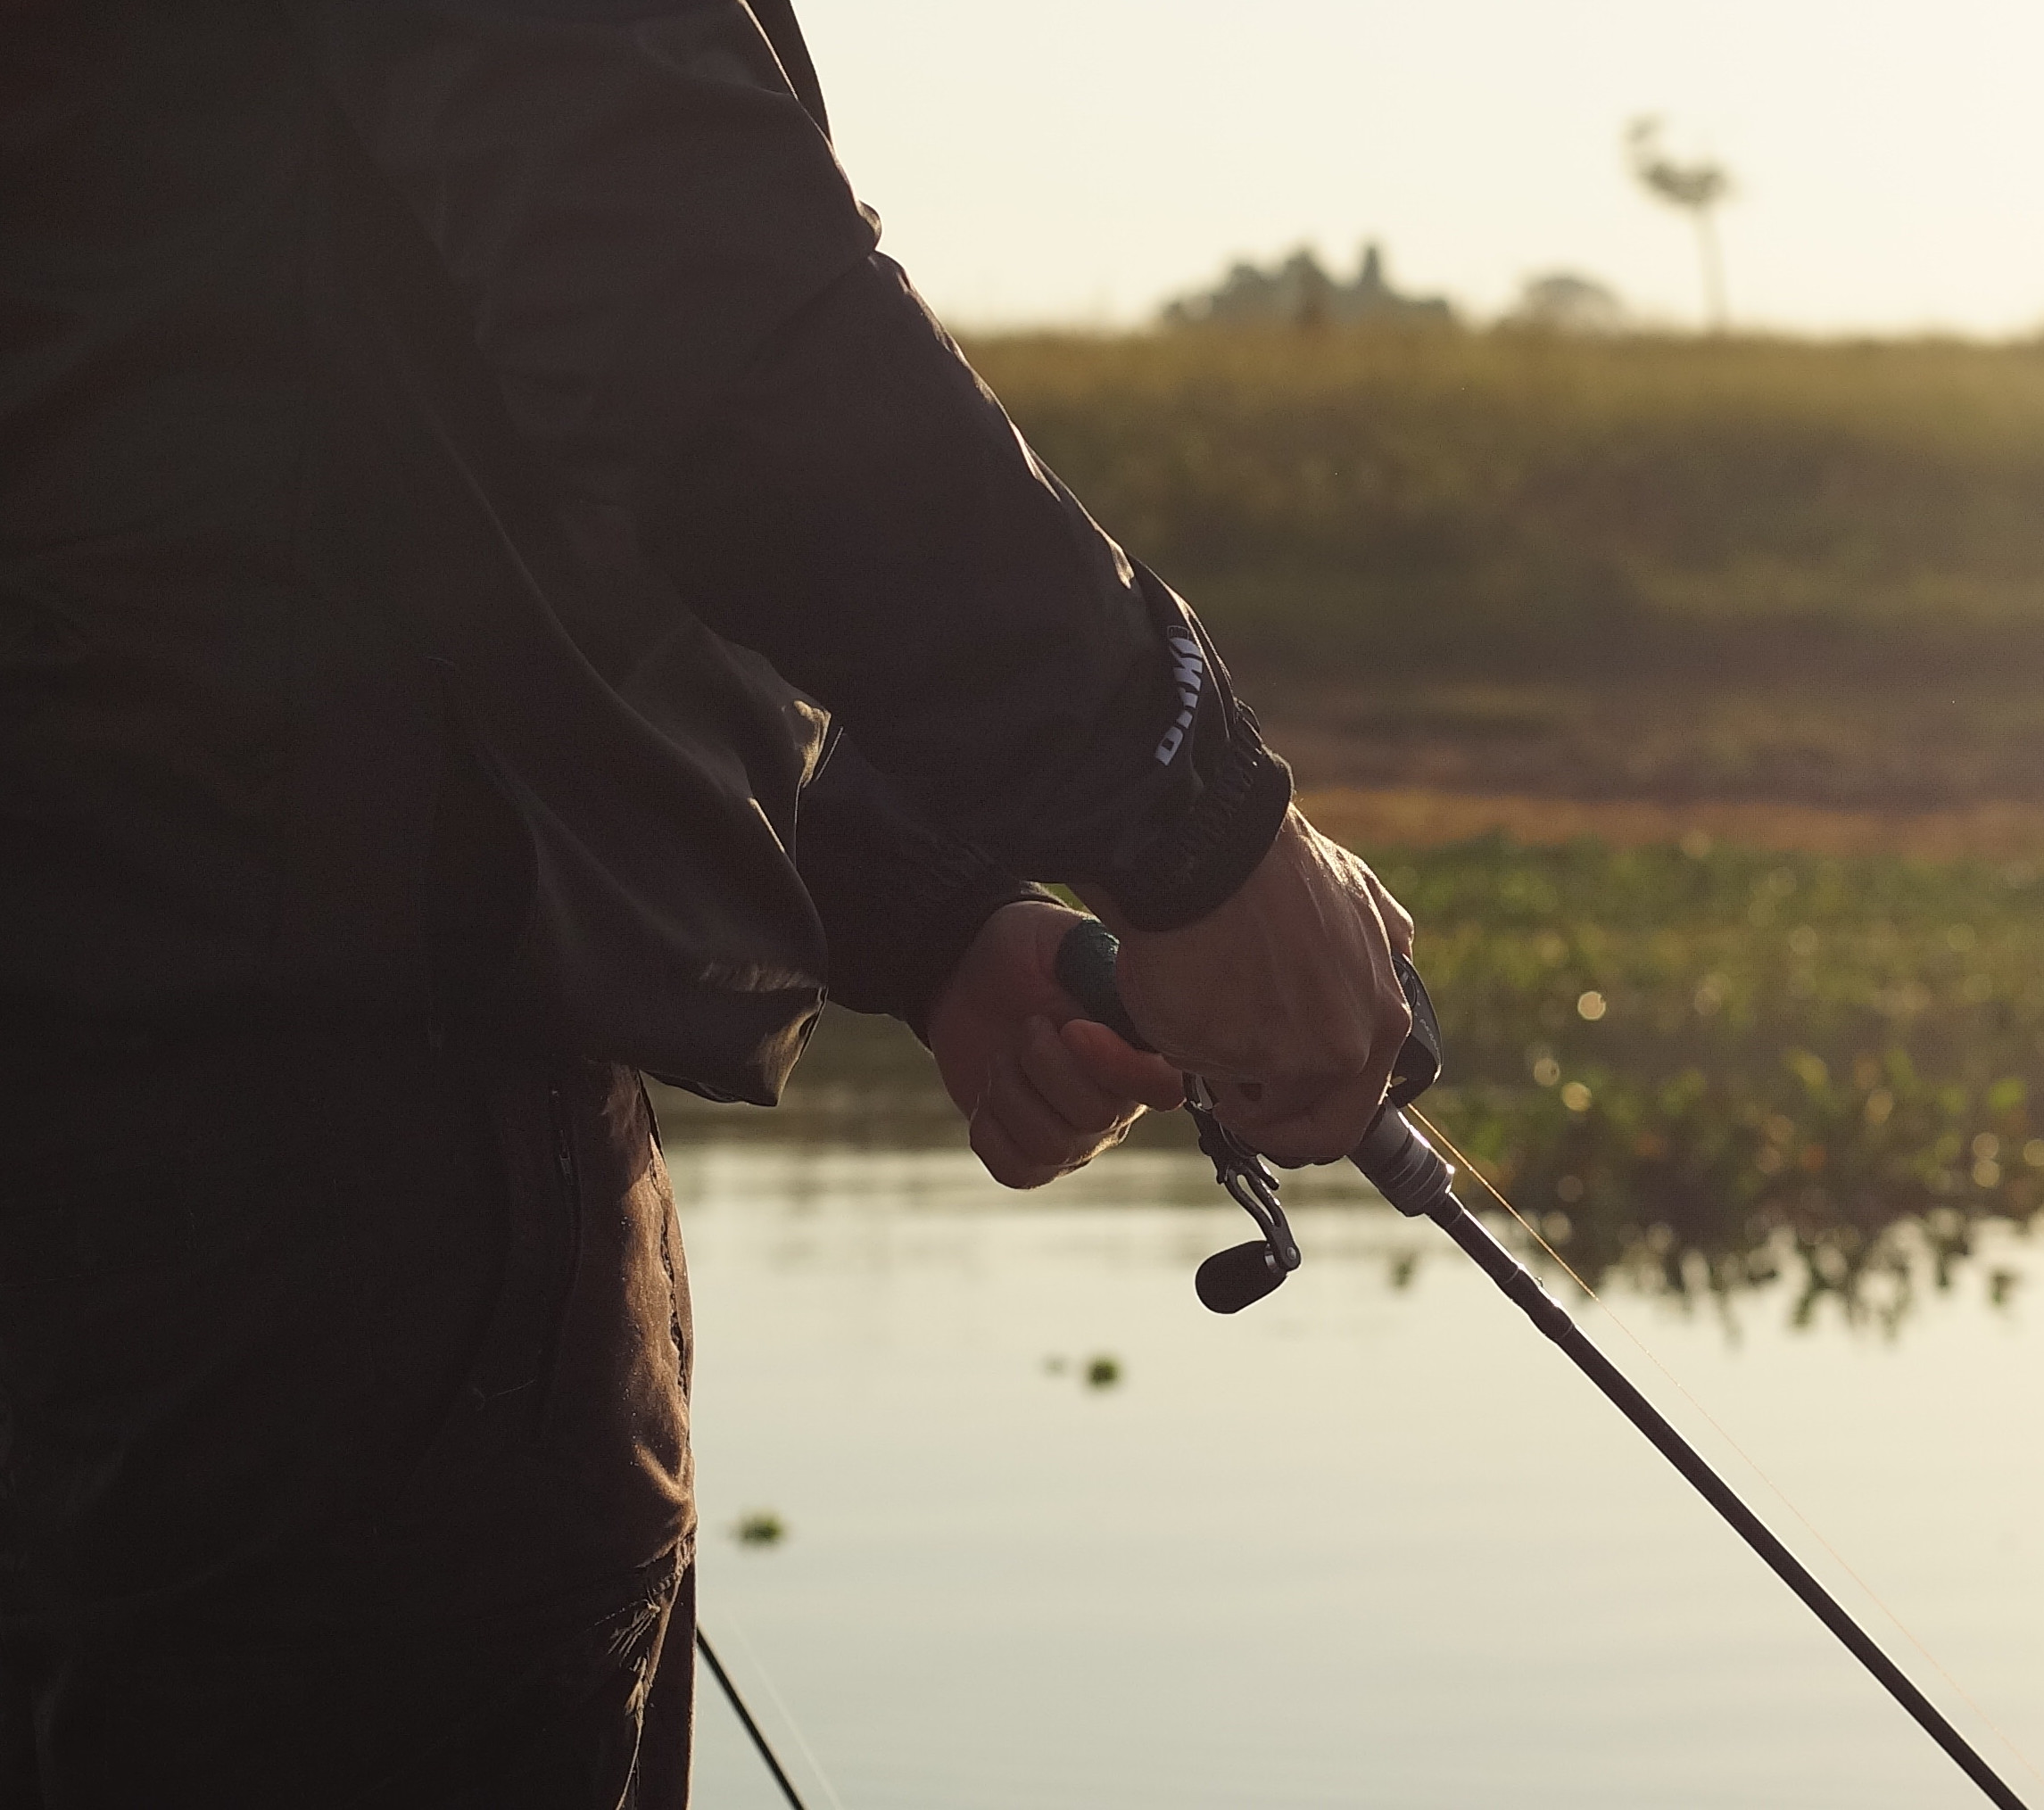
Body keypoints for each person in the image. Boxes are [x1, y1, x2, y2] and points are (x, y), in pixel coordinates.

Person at [0, 2, 1412, 1802]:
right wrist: (1188, 808)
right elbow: (685, 315)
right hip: (323, 1271)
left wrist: (923, 912)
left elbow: (333, 486)